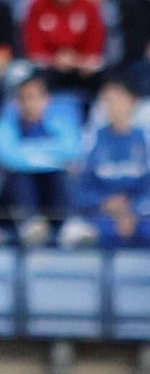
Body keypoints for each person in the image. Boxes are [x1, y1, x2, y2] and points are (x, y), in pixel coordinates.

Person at [0, 74, 85, 245]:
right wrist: (50, 156)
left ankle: (68, 224)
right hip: (16, 190)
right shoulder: (3, 127)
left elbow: (71, 151)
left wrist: (28, 155)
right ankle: (30, 223)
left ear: (46, 100)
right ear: (17, 102)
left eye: (35, 98)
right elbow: (8, 157)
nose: (30, 104)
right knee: (20, 175)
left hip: (51, 184)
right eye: (25, 98)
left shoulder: (61, 124)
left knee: (59, 174)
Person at [65, 80, 150, 248]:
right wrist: (105, 203)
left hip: (140, 215)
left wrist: (132, 209)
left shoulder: (145, 140)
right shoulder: (91, 139)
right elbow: (79, 187)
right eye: (107, 100)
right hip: (99, 215)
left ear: (131, 102)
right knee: (78, 235)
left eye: (117, 99)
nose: (112, 106)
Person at [22, 0, 107, 93]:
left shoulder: (90, 5)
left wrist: (75, 60)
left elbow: (95, 46)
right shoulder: (37, 5)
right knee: (23, 73)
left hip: (81, 68)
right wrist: (55, 59)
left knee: (104, 76)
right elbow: (33, 47)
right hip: (48, 69)